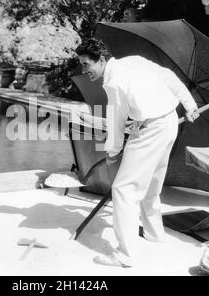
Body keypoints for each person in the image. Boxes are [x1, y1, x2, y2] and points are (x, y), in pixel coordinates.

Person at [75, 38, 199, 268]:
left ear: (101, 60)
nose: (84, 70)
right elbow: (169, 78)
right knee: (151, 183)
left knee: (124, 190)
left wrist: (113, 151)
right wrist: (190, 104)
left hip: (151, 129)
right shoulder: (134, 61)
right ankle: (154, 234)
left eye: (86, 64)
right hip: (169, 121)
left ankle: (125, 255)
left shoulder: (112, 82)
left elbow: (116, 121)